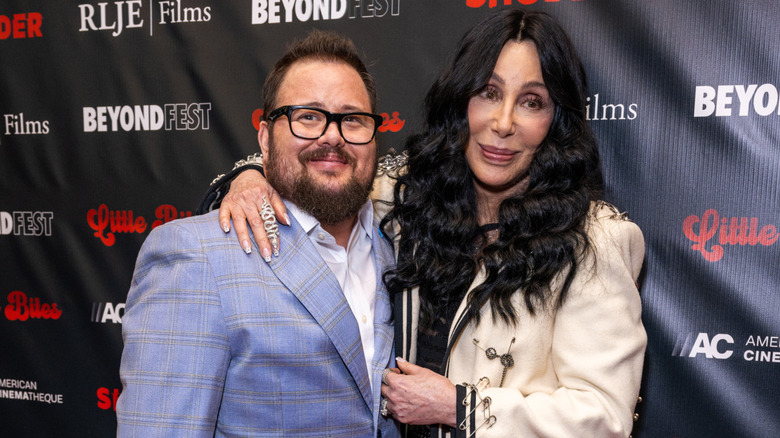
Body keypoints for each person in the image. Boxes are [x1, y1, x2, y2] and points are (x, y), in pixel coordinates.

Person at [205, 9, 646, 438]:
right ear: (460, 100)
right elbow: (323, 170)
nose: (504, 122)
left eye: (531, 102)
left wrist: (458, 406)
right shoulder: (407, 198)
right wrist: (248, 177)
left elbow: (606, 416)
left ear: (556, 121)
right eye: (489, 93)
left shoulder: (595, 241)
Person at [117, 30, 400, 438]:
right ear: (265, 139)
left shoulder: (397, 247)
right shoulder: (195, 255)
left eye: (352, 119)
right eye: (308, 116)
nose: (333, 136)